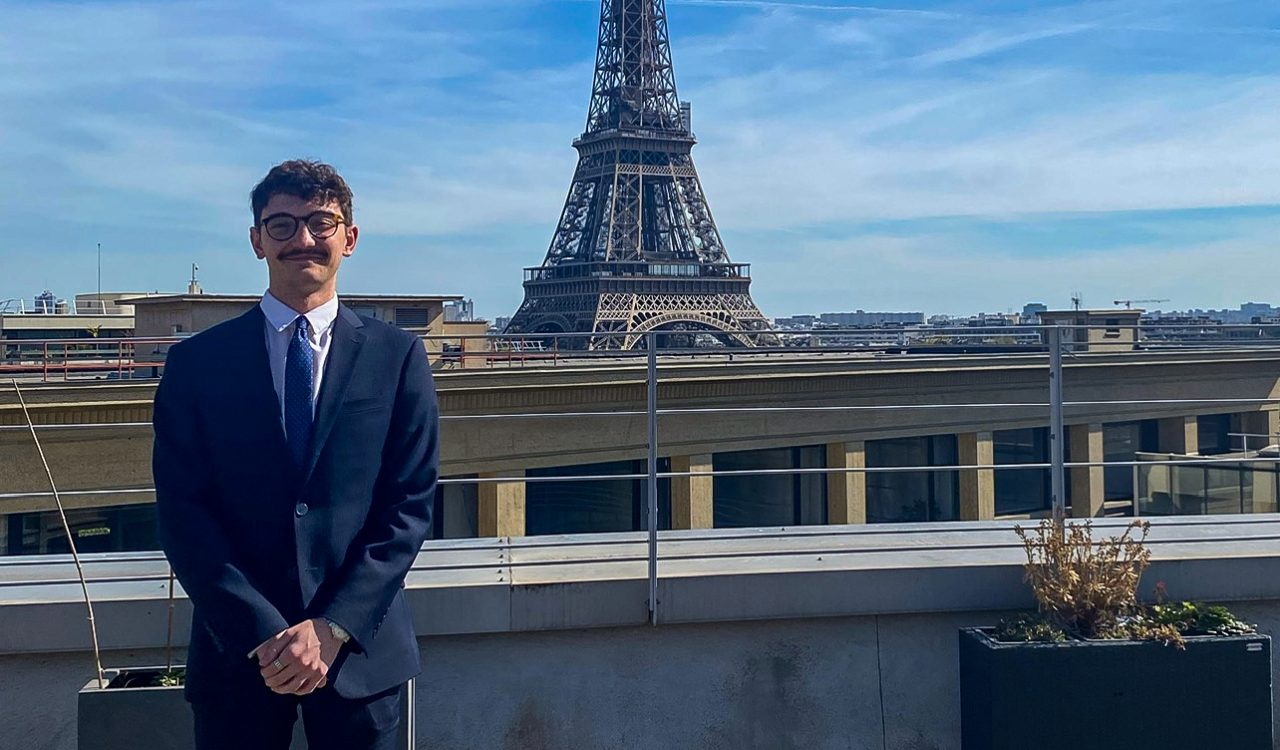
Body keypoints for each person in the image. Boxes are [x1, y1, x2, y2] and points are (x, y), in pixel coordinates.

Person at [153, 159, 438, 749]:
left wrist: (332, 628)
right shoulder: (196, 365)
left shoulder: (399, 357)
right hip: (239, 656)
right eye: (280, 224)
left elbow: (407, 507)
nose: (301, 239)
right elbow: (185, 514)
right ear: (256, 240)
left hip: (360, 656)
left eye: (320, 222)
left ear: (349, 239)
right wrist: (265, 633)